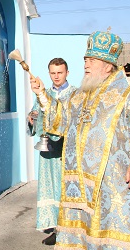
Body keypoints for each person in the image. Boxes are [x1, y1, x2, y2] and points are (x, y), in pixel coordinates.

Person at [30, 30, 130, 249]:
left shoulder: (129, 96)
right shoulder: (79, 96)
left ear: (107, 66)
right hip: (80, 184)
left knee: (119, 232)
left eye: (92, 60)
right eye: (85, 59)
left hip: (115, 181)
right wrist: (41, 94)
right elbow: (60, 120)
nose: (86, 64)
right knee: (84, 235)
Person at [27, 58, 76, 245]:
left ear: (67, 73)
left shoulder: (75, 94)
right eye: (53, 73)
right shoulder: (44, 93)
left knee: (67, 190)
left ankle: (72, 230)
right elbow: (36, 113)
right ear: (49, 74)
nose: (56, 76)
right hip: (48, 151)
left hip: (67, 150)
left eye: (60, 72)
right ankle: (56, 229)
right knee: (52, 190)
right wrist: (32, 118)